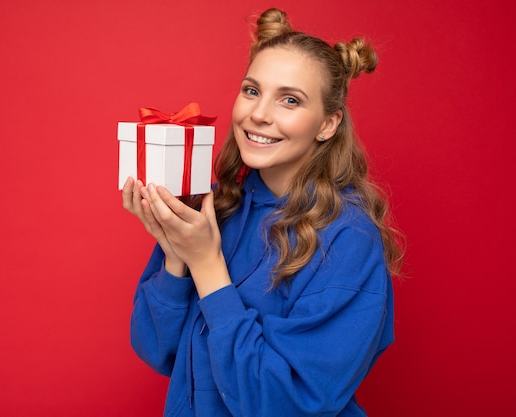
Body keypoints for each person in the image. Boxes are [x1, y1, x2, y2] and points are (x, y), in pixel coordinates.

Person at [121, 7, 403, 417]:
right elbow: (156, 350)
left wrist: (208, 265)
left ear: (327, 124)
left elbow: (286, 403)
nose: (259, 114)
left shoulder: (348, 238)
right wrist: (176, 255)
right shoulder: (217, 205)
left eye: (289, 100)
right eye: (252, 90)